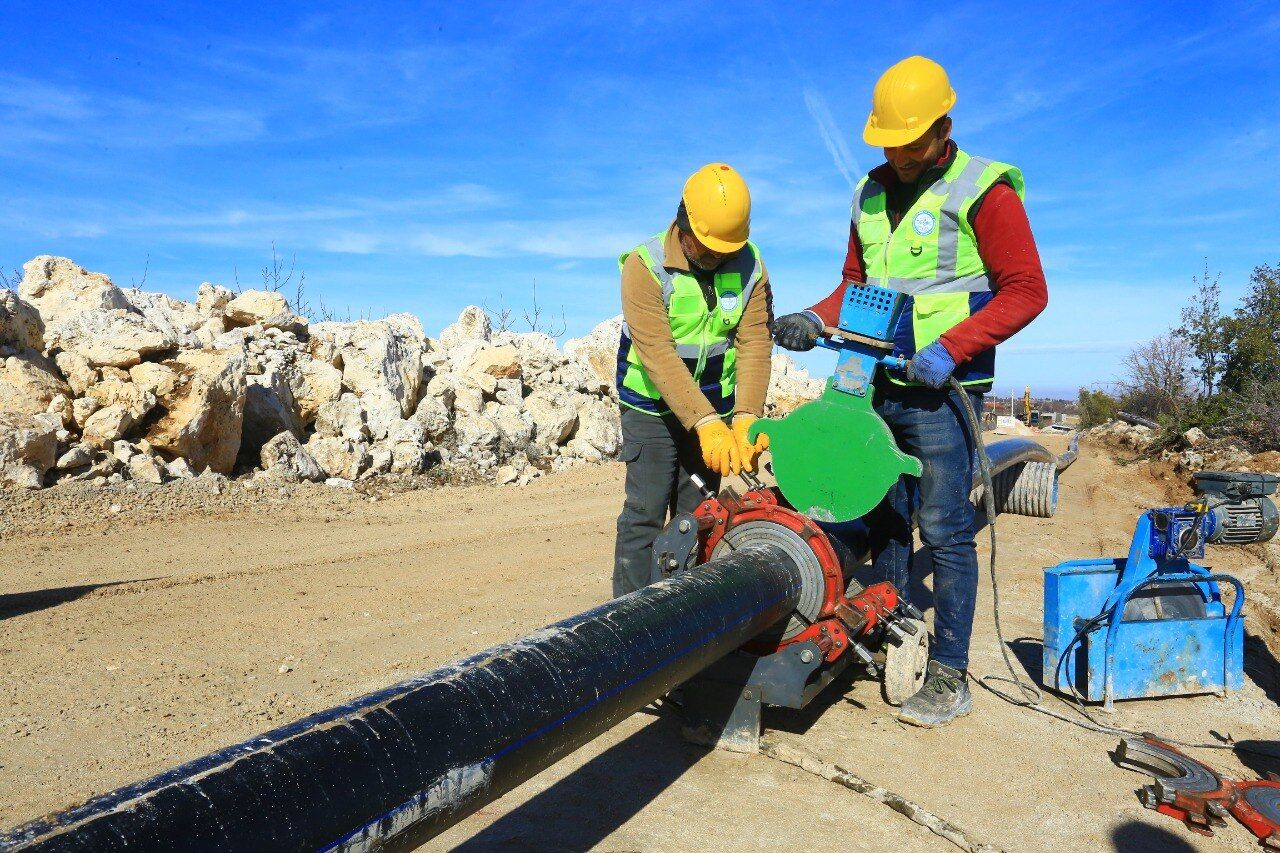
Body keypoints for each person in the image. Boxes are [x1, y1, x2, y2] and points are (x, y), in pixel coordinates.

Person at [773, 56, 1048, 727]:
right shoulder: (867, 194)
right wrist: (815, 317)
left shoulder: (984, 191)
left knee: (946, 527)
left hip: (943, 390)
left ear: (944, 128)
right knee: (886, 514)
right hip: (875, 381)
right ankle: (891, 626)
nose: (898, 156)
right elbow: (855, 285)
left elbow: (1027, 290)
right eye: (890, 144)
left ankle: (951, 673)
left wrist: (952, 347)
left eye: (912, 144)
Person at [613, 163, 773, 598]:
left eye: (726, 249)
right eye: (709, 247)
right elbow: (657, 353)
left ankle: (684, 610)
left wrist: (746, 416)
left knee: (698, 516)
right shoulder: (644, 266)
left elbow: (755, 340)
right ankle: (629, 615)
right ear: (684, 223)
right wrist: (704, 423)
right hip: (651, 408)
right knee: (645, 515)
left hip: (716, 408)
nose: (718, 256)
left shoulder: (750, 265)